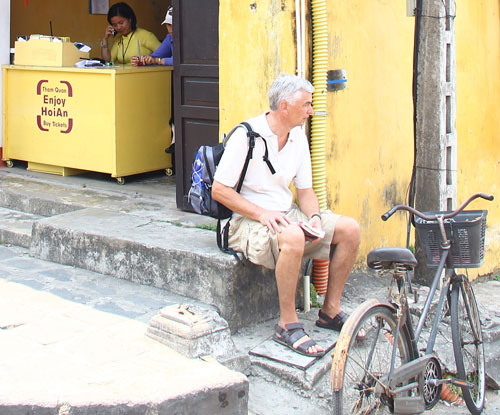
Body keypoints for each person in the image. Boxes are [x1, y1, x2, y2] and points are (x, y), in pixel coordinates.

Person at [212, 74, 361, 357]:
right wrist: (262, 213)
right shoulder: (247, 135)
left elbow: (305, 191)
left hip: (285, 213)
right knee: (292, 235)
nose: (310, 110)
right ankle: (287, 324)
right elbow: (219, 190)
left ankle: (330, 311)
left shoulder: (297, 138)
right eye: (306, 104)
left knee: (349, 229)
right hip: (245, 220)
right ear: (284, 106)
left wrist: (314, 217)